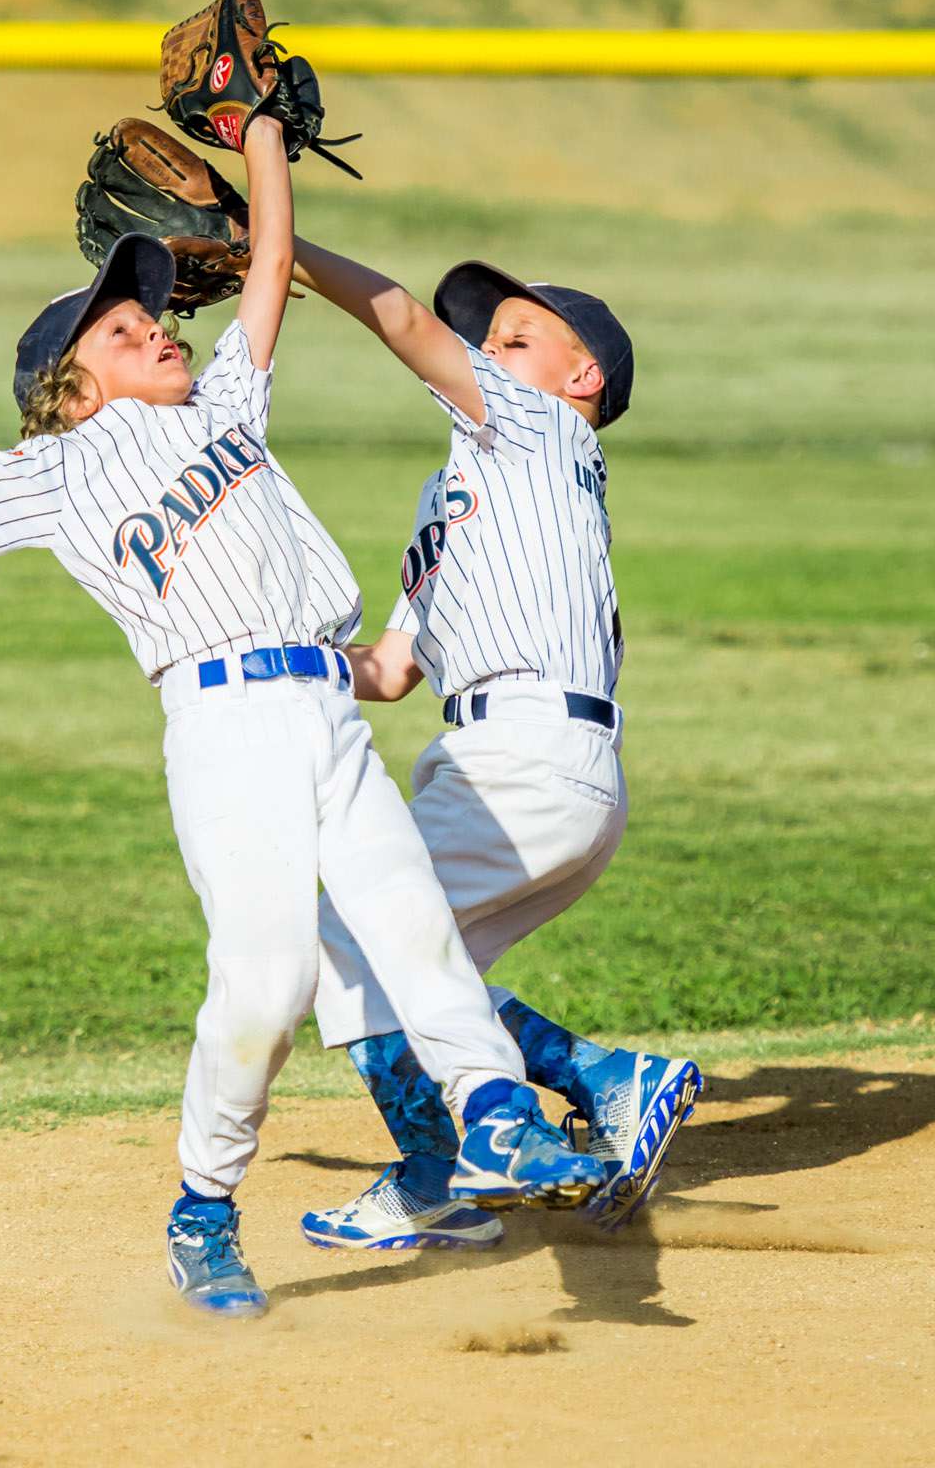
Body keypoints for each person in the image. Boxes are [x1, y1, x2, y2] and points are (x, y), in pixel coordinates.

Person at [0, 112, 600, 1320]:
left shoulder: (224, 406)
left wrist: (261, 138)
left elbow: (274, 265)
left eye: (155, 319)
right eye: (126, 332)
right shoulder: (61, 469)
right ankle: (203, 1206)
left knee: (408, 918)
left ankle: (496, 1117)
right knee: (269, 982)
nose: (157, 328)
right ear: (69, 389)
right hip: (223, 734)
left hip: (322, 710)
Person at [287, 239, 703, 1250]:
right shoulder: (462, 495)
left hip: (523, 755)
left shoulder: (541, 430)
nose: (489, 348)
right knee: (420, 980)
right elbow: (389, 669)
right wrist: (265, 658)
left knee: (346, 937)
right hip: (530, 766)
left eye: (518, 338)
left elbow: (401, 320)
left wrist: (283, 248)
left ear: (581, 378)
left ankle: (439, 1174)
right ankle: (609, 1080)